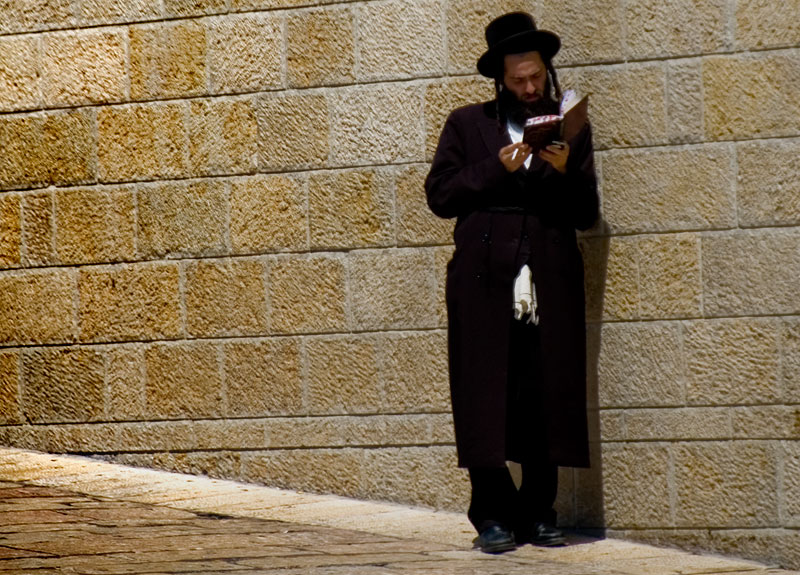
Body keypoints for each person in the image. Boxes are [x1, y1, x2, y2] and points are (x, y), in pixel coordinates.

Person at [425, 12, 598, 553]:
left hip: (547, 274)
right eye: (518, 80)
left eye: (537, 78)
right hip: (483, 277)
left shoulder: (569, 127)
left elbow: (586, 214)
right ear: (499, 80)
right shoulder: (467, 125)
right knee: (484, 392)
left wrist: (565, 172)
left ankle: (539, 511)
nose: (529, 89)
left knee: (545, 390)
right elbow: (440, 195)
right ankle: (492, 514)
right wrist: (495, 169)